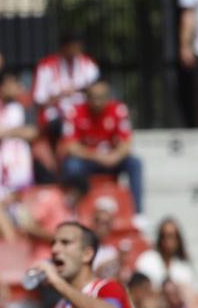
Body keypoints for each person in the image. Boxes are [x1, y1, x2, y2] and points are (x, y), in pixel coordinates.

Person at [60, 80, 144, 212]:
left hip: (111, 160)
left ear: (108, 97)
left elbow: (127, 142)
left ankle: (137, 213)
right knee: (71, 166)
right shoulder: (74, 112)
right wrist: (97, 156)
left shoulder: (119, 110)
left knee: (135, 163)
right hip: (88, 161)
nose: (96, 102)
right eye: (93, 97)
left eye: (100, 98)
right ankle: (75, 208)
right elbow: (70, 146)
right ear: (87, 97)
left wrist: (115, 156)